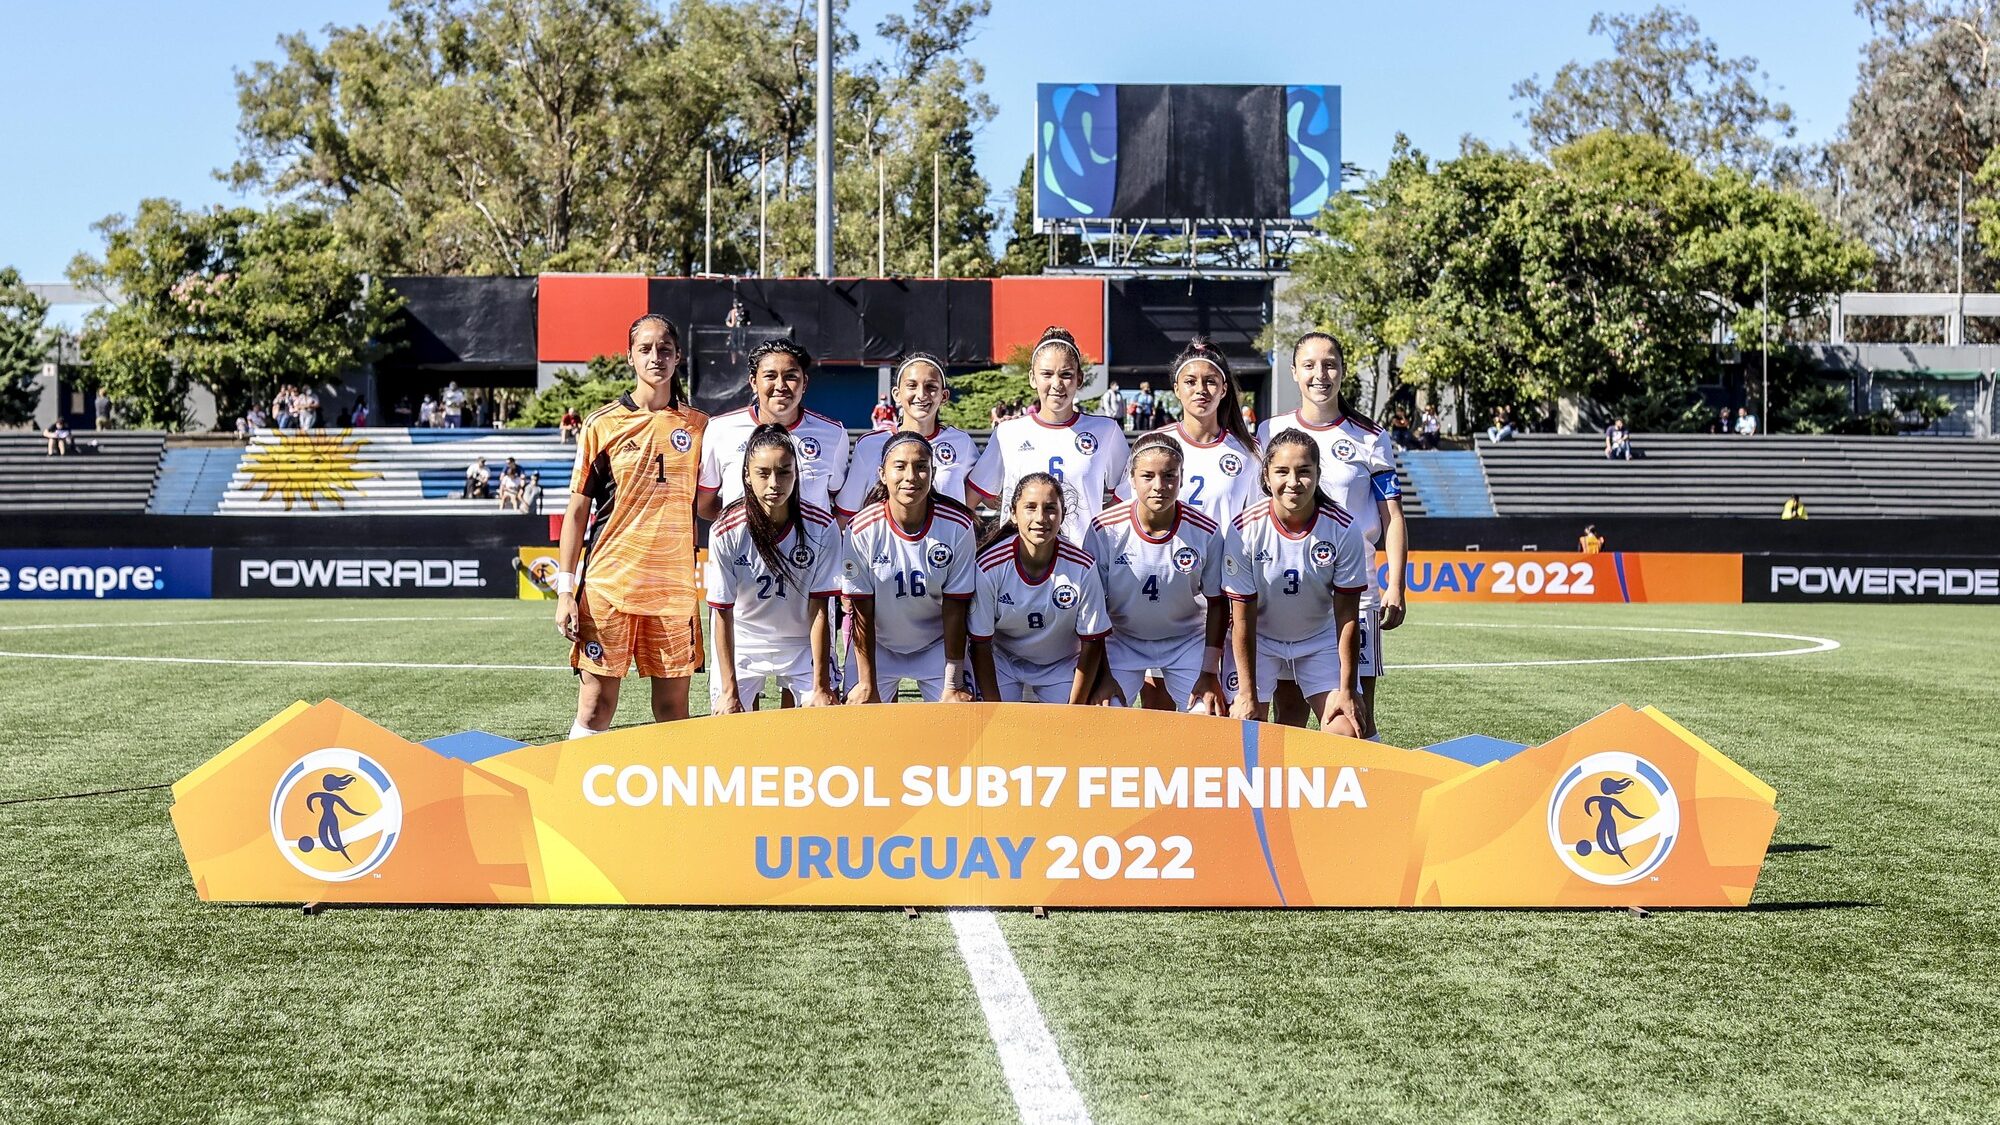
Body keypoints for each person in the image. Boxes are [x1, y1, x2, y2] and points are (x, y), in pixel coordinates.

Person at [554, 313, 709, 737]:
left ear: (678, 356)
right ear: (630, 357)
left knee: (673, 711)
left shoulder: (699, 428)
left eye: (664, 349)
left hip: (674, 592)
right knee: (595, 708)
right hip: (609, 588)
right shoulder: (601, 425)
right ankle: (574, 799)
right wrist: (566, 591)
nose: (655, 356)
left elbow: (712, 500)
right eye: (645, 348)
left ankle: (676, 804)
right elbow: (576, 513)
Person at [1256, 332, 1408, 740]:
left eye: (1329, 364)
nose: (1320, 375)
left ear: (1342, 371)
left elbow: (1391, 515)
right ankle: (1285, 803)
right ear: (1294, 372)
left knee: (1355, 716)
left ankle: (1367, 799)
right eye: (1309, 365)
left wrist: (1396, 585)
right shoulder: (1271, 429)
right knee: (1287, 720)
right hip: (1289, 596)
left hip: (1354, 596)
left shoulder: (1370, 437)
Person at [1223, 430, 1369, 736]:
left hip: (1319, 640)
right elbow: (1242, 620)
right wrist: (1247, 693)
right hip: (1260, 641)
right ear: (1266, 475)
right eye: (1282, 471)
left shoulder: (1343, 528)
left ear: (1317, 473)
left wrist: (1346, 688)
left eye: (1304, 471)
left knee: (1346, 730)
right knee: (1243, 731)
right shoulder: (1245, 529)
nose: (1293, 481)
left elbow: (1347, 617)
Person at [706, 423, 844, 714]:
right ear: (747, 475)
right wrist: (729, 691)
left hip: (801, 641)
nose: (774, 484)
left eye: (784, 472)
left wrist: (820, 686)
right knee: (726, 723)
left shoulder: (821, 526)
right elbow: (721, 611)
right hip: (745, 640)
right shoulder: (726, 529)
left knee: (823, 717)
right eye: (763, 473)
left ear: (796, 473)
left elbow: (820, 608)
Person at [1086, 433, 1228, 713]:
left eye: (1169, 475)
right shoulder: (1105, 529)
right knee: (1105, 713)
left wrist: (1210, 672)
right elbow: (1093, 607)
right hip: (1122, 639)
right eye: (1148, 476)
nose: (1159, 486)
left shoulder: (1206, 531)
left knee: (1207, 716)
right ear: (1132, 479)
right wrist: (1102, 673)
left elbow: (1217, 602)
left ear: (1182, 477)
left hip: (1186, 640)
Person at [840, 431, 980, 703]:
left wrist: (952, 682)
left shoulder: (958, 526)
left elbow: (955, 607)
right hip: (878, 646)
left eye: (921, 467)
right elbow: (861, 610)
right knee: (860, 729)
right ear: (882, 473)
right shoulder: (861, 529)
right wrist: (867, 683)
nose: (911, 477)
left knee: (958, 725)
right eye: (900, 467)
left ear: (933, 471)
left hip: (937, 646)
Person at [966, 325, 1130, 542]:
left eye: (1066, 375)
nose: (1056, 384)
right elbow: (975, 496)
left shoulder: (1106, 431)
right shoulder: (1008, 433)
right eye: (1047, 374)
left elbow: (1129, 493)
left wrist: (1099, 531)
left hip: (1081, 562)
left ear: (1079, 379)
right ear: (1033, 378)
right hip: (1019, 562)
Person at [969, 474, 1110, 704]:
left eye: (1050, 508)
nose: (1041, 518)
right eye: (1030, 507)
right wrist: (994, 708)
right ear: (1013, 513)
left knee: (1096, 716)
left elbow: (1092, 642)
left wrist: (1074, 710)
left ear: (1063, 513)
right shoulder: (988, 567)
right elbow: (980, 643)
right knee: (994, 728)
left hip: (1061, 664)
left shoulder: (1082, 567)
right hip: (1003, 663)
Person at [1115, 336, 1262, 527]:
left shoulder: (1248, 450)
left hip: (1224, 557)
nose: (1200, 389)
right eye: (1190, 382)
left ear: (1223, 389)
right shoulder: (1152, 444)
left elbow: (1259, 521)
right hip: (1163, 556)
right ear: (1176, 389)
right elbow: (1123, 508)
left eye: (1210, 381)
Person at [697, 339, 850, 520]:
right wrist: (742, 529)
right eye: (770, 376)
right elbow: (704, 505)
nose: (780, 386)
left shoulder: (833, 434)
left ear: (805, 383)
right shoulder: (720, 430)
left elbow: (842, 508)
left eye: (790, 376)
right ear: (754, 382)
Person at [837, 353, 979, 523]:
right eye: (912, 385)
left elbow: (977, 500)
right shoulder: (869, 445)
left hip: (944, 547)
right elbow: (847, 513)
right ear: (896, 394)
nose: (921, 395)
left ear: (944, 396)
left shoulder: (961, 443)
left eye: (931, 387)